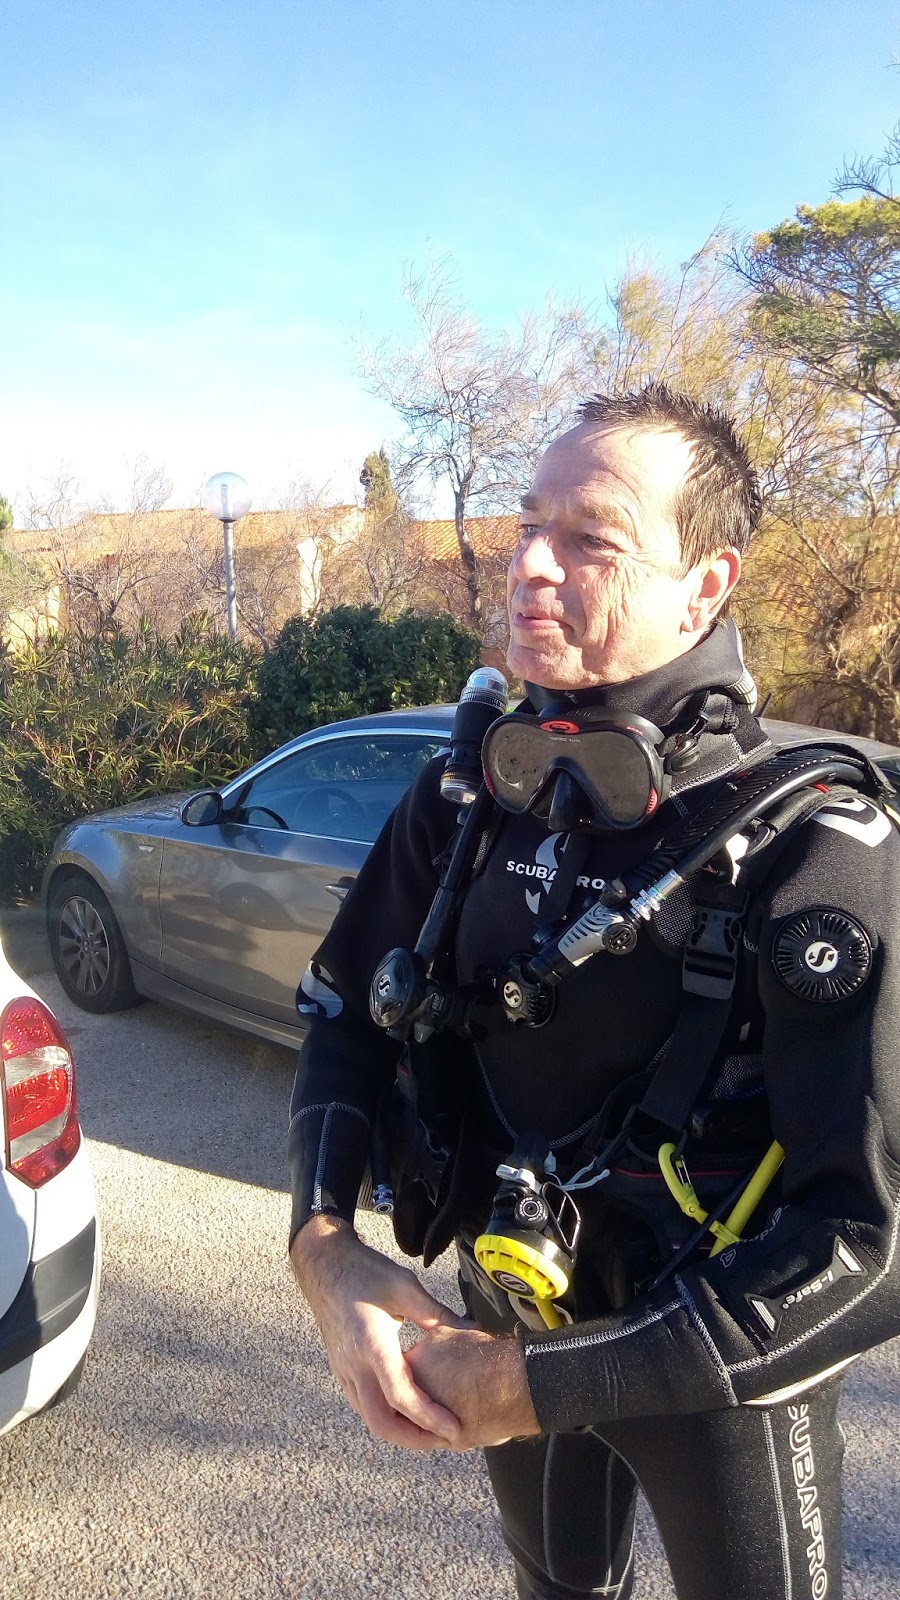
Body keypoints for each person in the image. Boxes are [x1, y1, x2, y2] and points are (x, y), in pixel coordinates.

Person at [288, 385, 900, 1600]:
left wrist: (533, 1384)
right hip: (505, 1306)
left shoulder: (813, 847)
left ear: (706, 585)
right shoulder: (468, 798)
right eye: (531, 524)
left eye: (591, 540)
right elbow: (345, 1016)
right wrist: (325, 1254)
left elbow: (871, 1241)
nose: (529, 564)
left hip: (716, 1369)